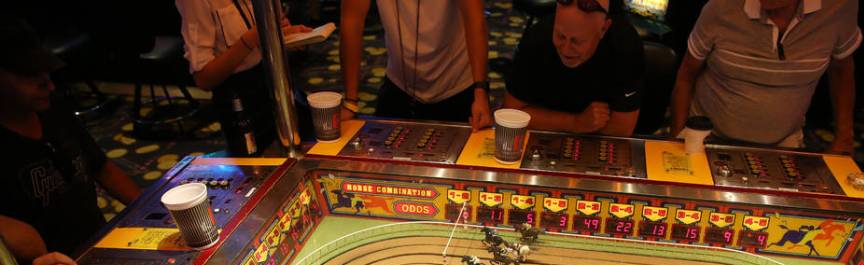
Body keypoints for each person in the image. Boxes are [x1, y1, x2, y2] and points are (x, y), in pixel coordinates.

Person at [0, 18, 141, 258]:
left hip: (98, 243)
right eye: (29, 74)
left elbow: (101, 168)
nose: (48, 84)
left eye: (45, 70)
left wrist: (151, 210)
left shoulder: (53, 108)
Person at [670, 0, 861, 152]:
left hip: (784, 143)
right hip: (706, 139)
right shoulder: (720, 7)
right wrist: (678, 139)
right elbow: (686, 75)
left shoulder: (840, 7)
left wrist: (844, 137)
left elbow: (842, 71)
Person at [175, 0, 314, 153]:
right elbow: (203, 78)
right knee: (261, 166)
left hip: (275, 84)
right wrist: (253, 36)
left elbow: (269, 30)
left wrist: (285, 34)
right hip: (241, 99)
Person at [339, 0, 492, 130]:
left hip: (456, 82)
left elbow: (475, 19)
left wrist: (480, 93)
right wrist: (350, 102)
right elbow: (352, 22)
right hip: (399, 81)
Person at [503, 0, 644, 136]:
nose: (565, 49)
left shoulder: (624, 46)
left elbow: (621, 130)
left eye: (577, 41)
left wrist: (544, 119)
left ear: (603, 29)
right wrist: (575, 123)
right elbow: (510, 114)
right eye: (560, 36)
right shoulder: (538, 38)